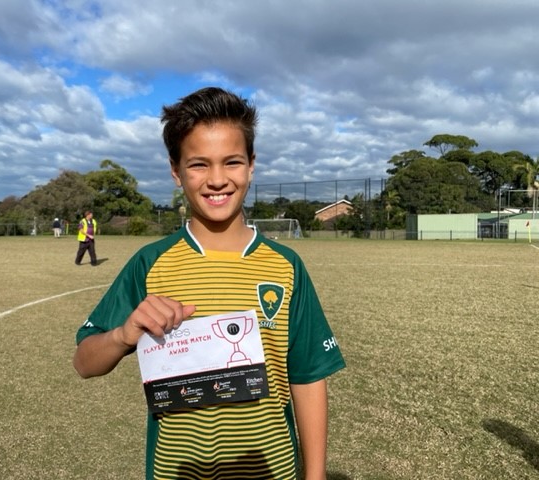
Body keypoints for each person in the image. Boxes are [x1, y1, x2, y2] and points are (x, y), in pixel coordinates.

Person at [73, 87, 345, 479]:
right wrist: (122, 335)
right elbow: (84, 363)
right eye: (199, 164)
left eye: (231, 162)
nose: (217, 180)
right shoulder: (151, 265)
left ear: (251, 165)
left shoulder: (286, 266)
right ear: (175, 170)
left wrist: (315, 476)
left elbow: (307, 376)